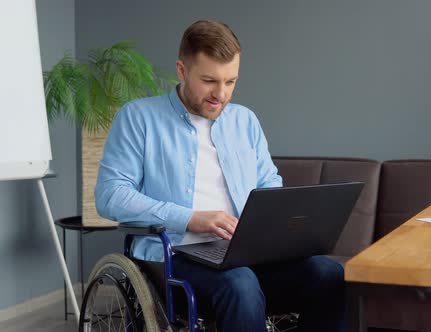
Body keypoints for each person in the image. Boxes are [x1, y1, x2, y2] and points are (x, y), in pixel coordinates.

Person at [95, 19, 346, 332]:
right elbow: (110, 195)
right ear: (182, 70)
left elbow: (269, 183)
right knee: (240, 284)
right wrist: (190, 218)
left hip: (244, 253)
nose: (221, 94)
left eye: (231, 82)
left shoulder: (245, 121)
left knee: (328, 272)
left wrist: (275, 226)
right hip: (175, 255)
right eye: (209, 81)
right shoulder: (139, 118)